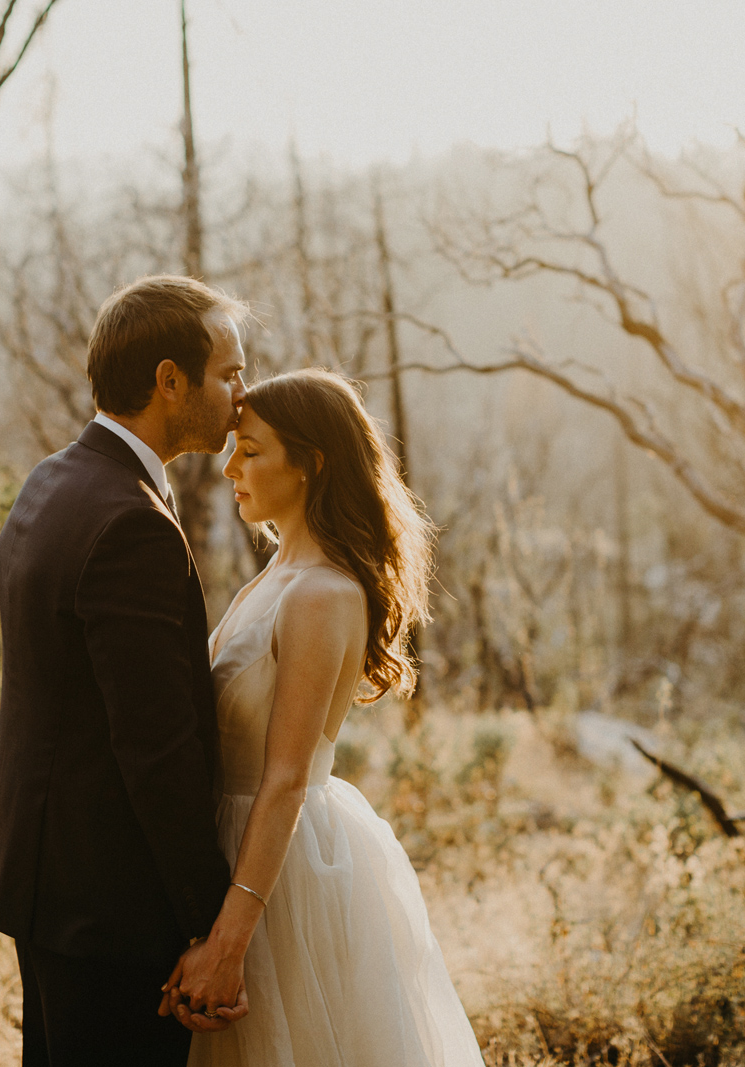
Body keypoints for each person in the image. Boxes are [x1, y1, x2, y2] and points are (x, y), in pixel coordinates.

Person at [161, 368, 486, 1067]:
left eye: (251, 450)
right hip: (233, 844)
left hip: (279, 872)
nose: (229, 466)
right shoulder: (273, 575)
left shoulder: (320, 594)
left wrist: (229, 942)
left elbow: (284, 778)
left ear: (311, 462)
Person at [0, 275, 257, 1066]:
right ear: (170, 381)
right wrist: (209, 923)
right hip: (111, 903)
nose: (244, 393)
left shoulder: (53, 479)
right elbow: (155, 747)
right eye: (229, 372)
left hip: (44, 876)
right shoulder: (131, 520)